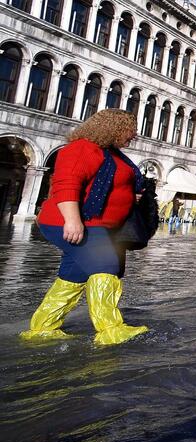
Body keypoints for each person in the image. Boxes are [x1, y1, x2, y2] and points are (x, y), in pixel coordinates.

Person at [20, 109, 148, 345]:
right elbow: (66, 184)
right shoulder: (82, 149)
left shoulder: (113, 154)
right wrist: (73, 220)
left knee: (73, 277)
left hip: (97, 225)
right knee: (107, 266)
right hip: (73, 222)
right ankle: (110, 329)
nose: (134, 134)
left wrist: (131, 196)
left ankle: (43, 326)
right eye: (130, 128)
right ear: (114, 128)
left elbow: (113, 185)